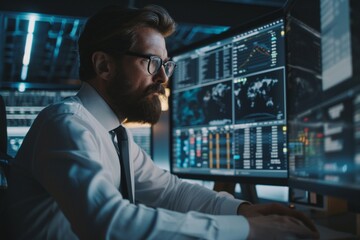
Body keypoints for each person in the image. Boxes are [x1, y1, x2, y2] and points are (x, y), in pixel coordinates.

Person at [5, 5, 319, 239]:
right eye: (152, 62)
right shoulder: (66, 125)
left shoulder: (113, 135)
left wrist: (242, 210)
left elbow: (171, 192)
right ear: (103, 66)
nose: (164, 78)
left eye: (165, 64)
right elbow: (109, 222)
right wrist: (246, 230)